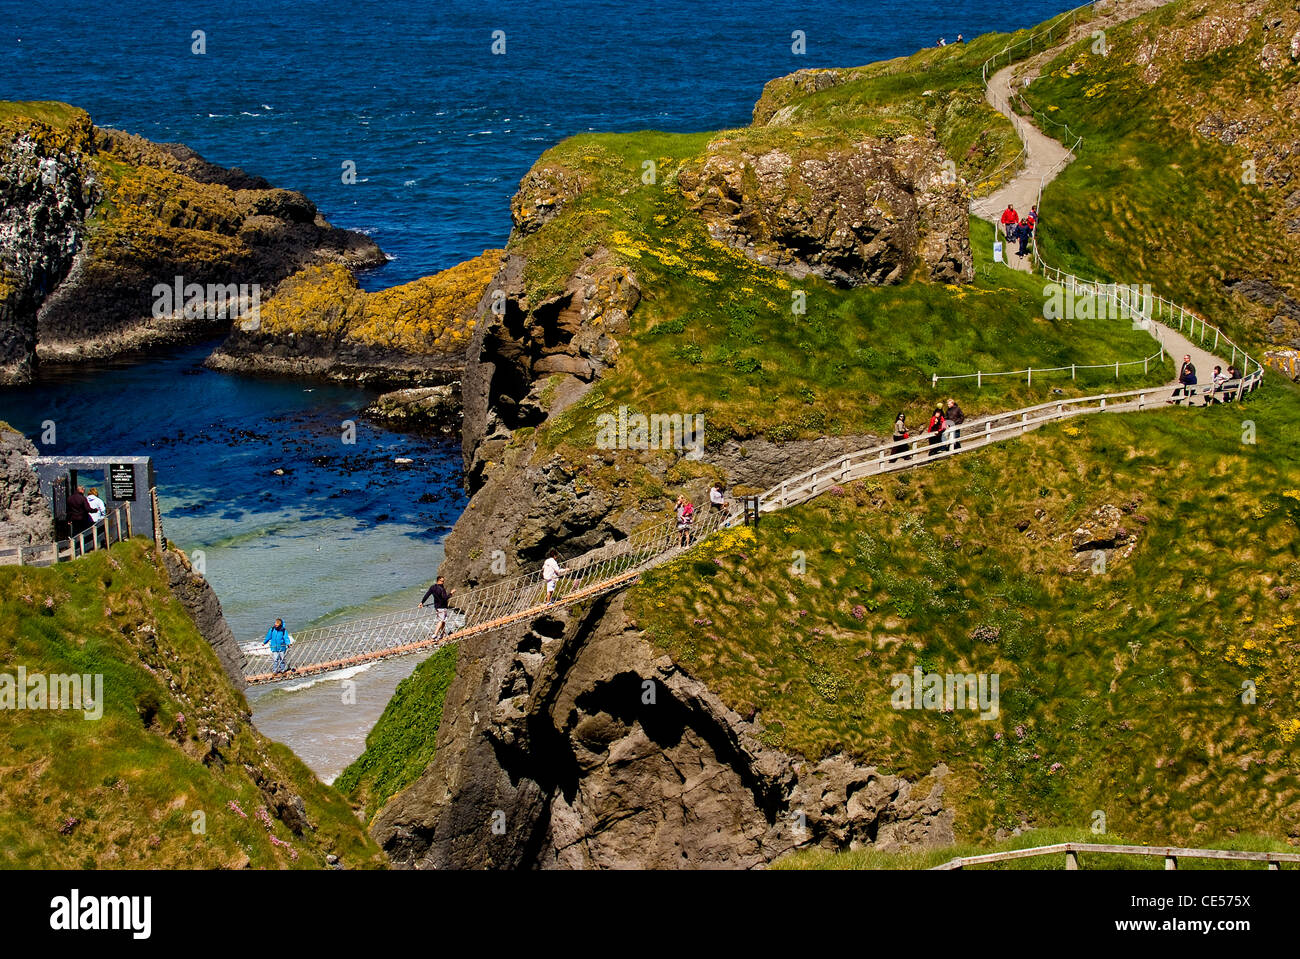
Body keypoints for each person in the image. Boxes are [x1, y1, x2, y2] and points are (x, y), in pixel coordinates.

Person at [419, 574, 456, 639]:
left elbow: (427, 595)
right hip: (442, 607)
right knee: (441, 620)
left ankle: (443, 634)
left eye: (443, 581)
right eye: (442, 581)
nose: (443, 582)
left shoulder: (432, 587)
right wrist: (451, 593)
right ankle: (435, 634)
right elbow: (445, 598)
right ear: (438, 580)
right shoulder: (441, 589)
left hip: (437, 606)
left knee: (443, 620)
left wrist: (422, 602)